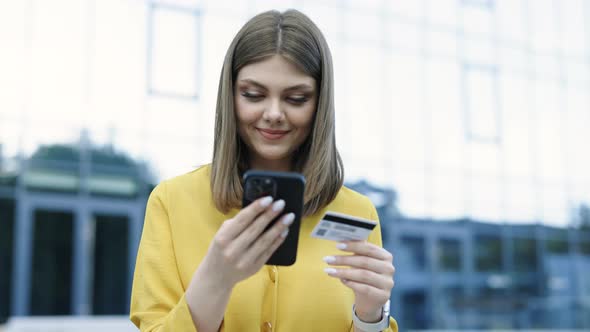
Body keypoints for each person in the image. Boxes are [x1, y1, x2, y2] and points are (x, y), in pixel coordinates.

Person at [130, 9, 398, 332]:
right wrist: (216, 277)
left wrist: (370, 317)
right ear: (230, 96)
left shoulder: (356, 212)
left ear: (319, 105)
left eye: (296, 98)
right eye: (253, 95)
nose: (273, 114)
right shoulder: (171, 203)